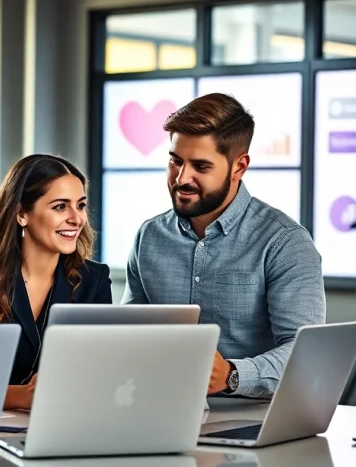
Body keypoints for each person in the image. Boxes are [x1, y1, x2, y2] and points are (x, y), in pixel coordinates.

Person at [123, 93, 325, 399]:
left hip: (252, 417)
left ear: (239, 167)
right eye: (175, 161)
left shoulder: (285, 242)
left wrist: (231, 375)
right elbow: (130, 335)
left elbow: (305, 356)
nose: (181, 178)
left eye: (201, 167)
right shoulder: (149, 236)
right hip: (156, 407)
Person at [0, 154, 112, 410]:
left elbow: (99, 376)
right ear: (22, 214)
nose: (77, 219)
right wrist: (23, 396)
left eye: (80, 205)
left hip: (65, 424)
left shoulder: (94, 280)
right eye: (60, 206)